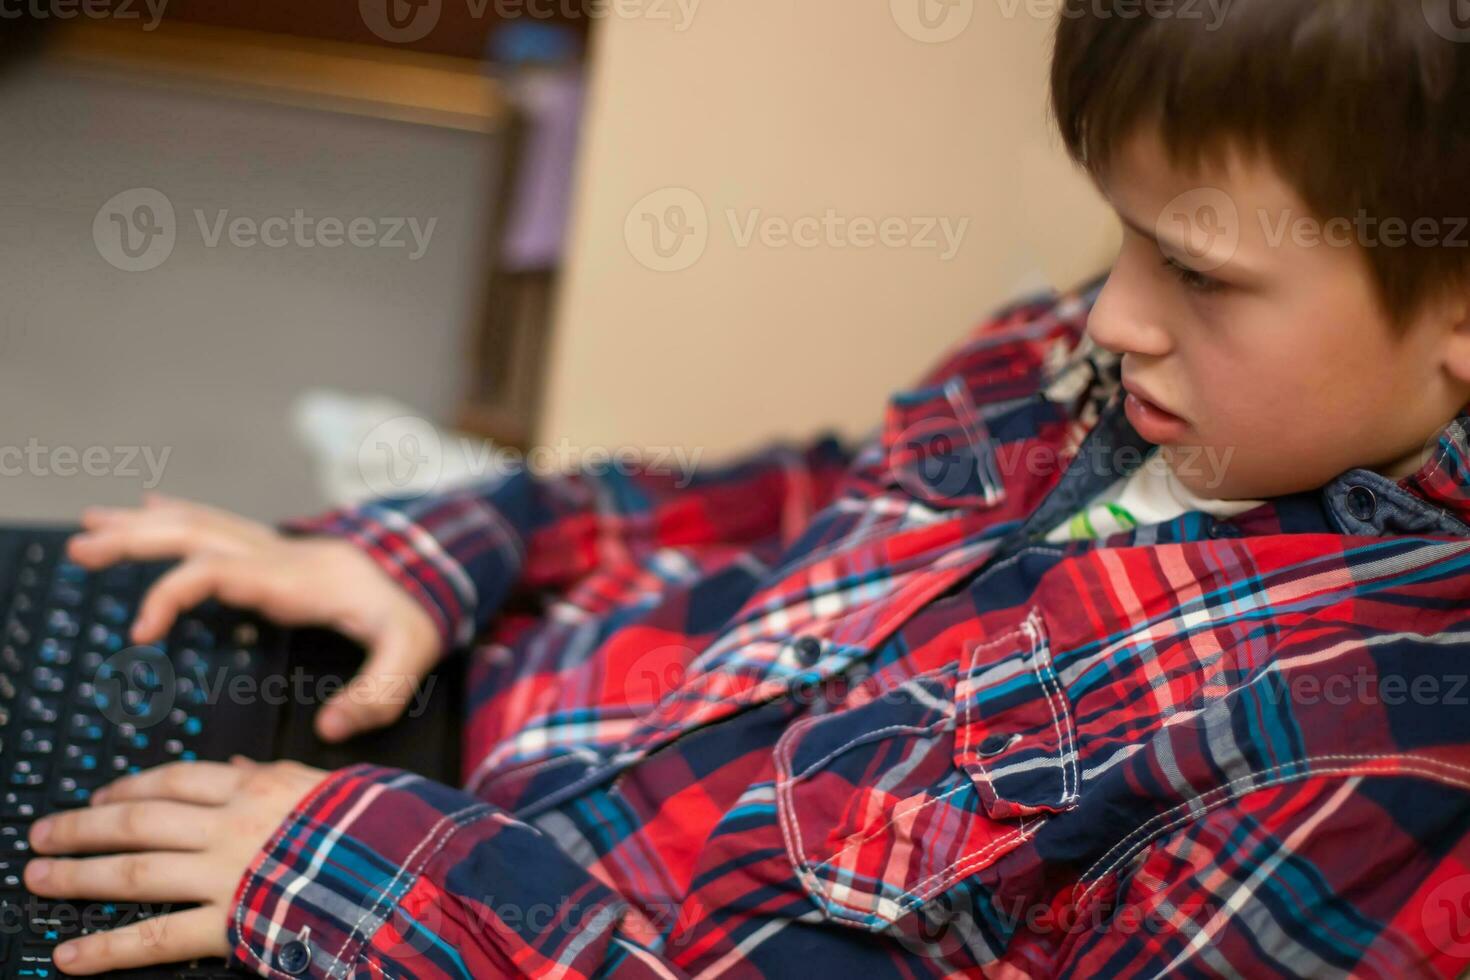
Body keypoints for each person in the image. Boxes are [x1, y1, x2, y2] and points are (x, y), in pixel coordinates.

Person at [17, 0, 1470, 975]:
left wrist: (391, 882)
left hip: (438, 914)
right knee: (87, 595)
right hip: (489, 707)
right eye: (1124, 238)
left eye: (1200, 273)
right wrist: (464, 537)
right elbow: (814, 496)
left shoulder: (1371, 759)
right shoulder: (1124, 366)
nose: (1105, 315)